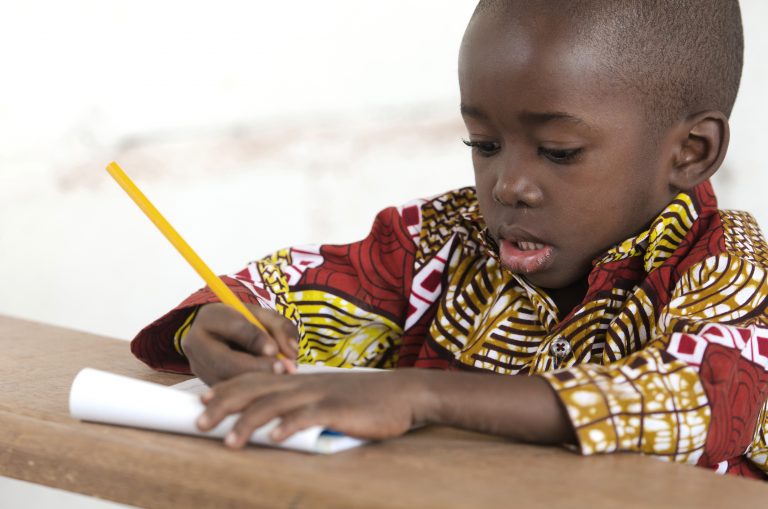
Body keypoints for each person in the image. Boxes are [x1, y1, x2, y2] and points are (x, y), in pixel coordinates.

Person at [131, 0, 768, 479]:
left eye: (558, 151)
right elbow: (283, 289)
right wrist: (217, 328)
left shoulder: (730, 266)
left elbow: (699, 405)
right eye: (483, 145)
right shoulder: (438, 240)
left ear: (691, 151)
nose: (509, 184)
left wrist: (416, 394)